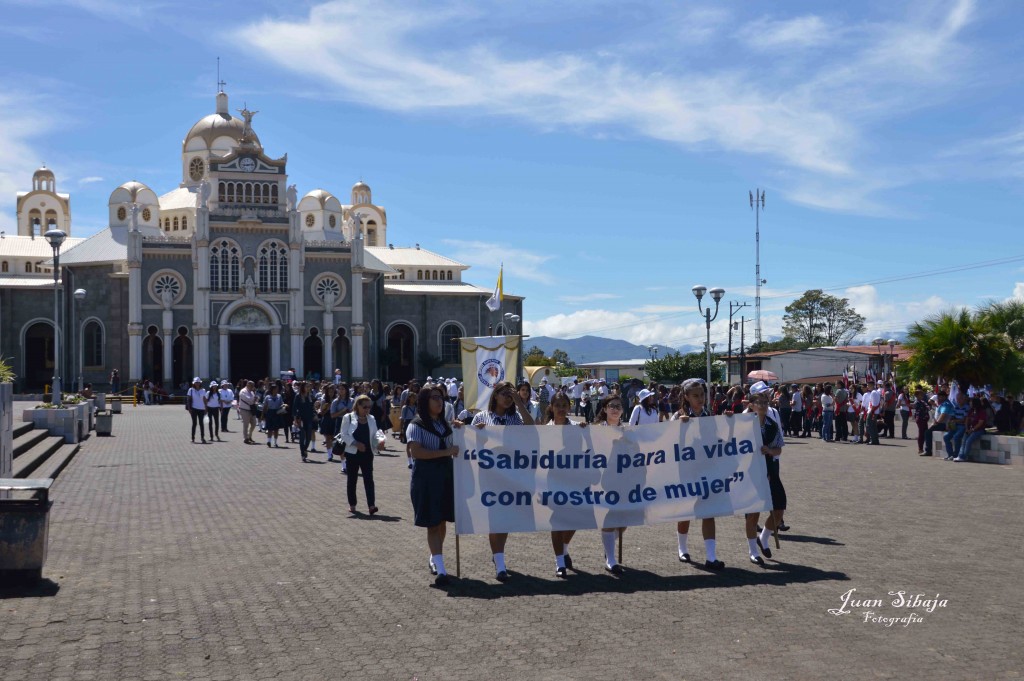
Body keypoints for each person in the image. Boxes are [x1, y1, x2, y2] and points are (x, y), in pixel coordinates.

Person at [471, 380, 535, 582]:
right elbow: (469, 443)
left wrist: (519, 401)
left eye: (511, 395)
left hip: (509, 474)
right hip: (489, 474)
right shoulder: (482, 416)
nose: (508, 398)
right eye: (505, 394)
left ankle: (499, 554)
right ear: (495, 395)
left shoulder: (514, 417)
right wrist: (477, 432)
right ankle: (499, 562)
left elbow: (531, 427)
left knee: (504, 517)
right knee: (494, 517)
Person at [408, 385, 462, 587]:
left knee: (441, 521)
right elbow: (417, 452)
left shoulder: (446, 424)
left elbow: (459, 442)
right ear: (424, 401)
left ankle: (435, 555)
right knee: (432, 522)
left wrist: (468, 428)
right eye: (433, 398)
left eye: (440, 397)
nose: (439, 402)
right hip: (426, 478)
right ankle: (440, 567)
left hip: (446, 477)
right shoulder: (416, 425)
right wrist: (446, 452)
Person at [671, 378, 726, 570]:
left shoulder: (709, 415)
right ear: (686, 397)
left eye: (702, 394)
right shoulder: (678, 417)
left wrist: (730, 423)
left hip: (706, 469)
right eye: (695, 395)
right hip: (686, 471)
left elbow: (718, 440)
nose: (700, 398)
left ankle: (711, 556)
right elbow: (669, 445)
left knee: (708, 512)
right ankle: (682, 548)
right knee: (685, 510)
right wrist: (681, 427)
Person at [545, 393, 588, 577]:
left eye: (564, 405)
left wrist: (588, 432)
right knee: (557, 521)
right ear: (552, 407)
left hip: (575, 481)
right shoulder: (545, 430)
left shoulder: (578, 427)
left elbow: (590, 450)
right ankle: (559, 562)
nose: (561, 408)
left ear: (569, 407)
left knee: (574, 520)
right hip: (553, 481)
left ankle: (564, 548)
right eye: (558, 405)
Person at [743, 382, 786, 566]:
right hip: (751, 472)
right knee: (753, 513)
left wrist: (770, 451)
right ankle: (752, 550)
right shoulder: (742, 422)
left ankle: (764, 537)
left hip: (771, 469)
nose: (763, 404)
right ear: (751, 403)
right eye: (758, 401)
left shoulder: (772, 423)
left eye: (765, 401)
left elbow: (779, 449)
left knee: (779, 508)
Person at [592, 394, 628, 575]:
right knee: (610, 516)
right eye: (611, 406)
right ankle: (610, 559)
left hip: (624, 480)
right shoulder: (597, 429)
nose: (615, 409)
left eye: (618, 406)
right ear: (605, 409)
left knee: (624, 520)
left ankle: (608, 548)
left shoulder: (627, 430)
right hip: (603, 479)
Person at [336, 395, 380, 514]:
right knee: (352, 480)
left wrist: (380, 442)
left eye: (369, 407)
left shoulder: (371, 418)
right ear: (358, 406)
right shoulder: (348, 417)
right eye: (364, 406)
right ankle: (352, 504)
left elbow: (376, 434)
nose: (367, 409)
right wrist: (356, 443)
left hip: (367, 453)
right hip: (352, 454)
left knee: (369, 480)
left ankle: (371, 505)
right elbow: (344, 435)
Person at [954, 397, 988, 462]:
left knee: (968, 441)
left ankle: (964, 457)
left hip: (979, 430)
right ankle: (960, 455)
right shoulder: (971, 411)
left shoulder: (982, 412)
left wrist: (972, 430)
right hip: (969, 429)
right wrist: (967, 428)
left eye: (971, 402)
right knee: (964, 441)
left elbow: (980, 423)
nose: (969, 403)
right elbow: (967, 420)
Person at [292, 381, 317, 462]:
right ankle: (303, 454)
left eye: (309, 387)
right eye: (306, 386)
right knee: (302, 436)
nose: (308, 388)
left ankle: (305, 449)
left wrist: (315, 413)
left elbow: (313, 407)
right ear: (302, 387)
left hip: (309, 418)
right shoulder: (298, 396)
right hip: (301, 419)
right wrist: (295, 419)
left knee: (309, 436)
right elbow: (294, 408)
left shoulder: (310, 396)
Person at [942, 390, 970, 461]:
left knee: (956, 437)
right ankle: (950, 454)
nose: (958, 400)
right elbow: (952, 416)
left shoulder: (967, 407)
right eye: (957, 399)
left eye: (960, 399)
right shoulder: (956, 407)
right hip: (955, 425)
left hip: (962, 426)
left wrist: (955, 421)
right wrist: (948, 423)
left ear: (964, 399)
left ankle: (956, 454)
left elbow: (964, 419)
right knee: (946, 437)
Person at [921, 388, 949, 456]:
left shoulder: (946, 404)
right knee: (927, 431)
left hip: (944, 424)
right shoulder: (941, 404)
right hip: (940, 423)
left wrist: (935, 423)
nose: (940, 398)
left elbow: (943, 416)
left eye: (942, 396)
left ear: (945, 397)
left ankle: (928, 451)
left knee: (928, 432)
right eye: (939, 397)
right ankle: (928, 450)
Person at [329, 384, 353, 464]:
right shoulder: (335, 402)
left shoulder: (352, 400)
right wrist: (342, 411)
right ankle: (344, 465)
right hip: (340, 422)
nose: (341, 391)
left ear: (346, 390)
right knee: (341, 443)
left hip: (350, 422)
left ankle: (349, 462)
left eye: (343, 389)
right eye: (339, 389)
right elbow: (332, 415)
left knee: (350, 443)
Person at [186, 377, 208, 443]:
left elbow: (205, 400)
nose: (197, 384)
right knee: (194, 423)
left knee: (201, 423)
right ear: (194, 383)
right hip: (194, 408)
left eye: (198, 382)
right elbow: (188, 399)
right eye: (196, 382)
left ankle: (202, 437)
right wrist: (189, 409)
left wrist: (206, 408)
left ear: (200, 383)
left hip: (201, 409)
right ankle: (193, 438)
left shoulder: (203, 390)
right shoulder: (191, 390)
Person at [262, 383, 285, 448]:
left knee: (276, 429)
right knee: (269, 428)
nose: (276, 390)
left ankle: (275, 442)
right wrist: (263, 415)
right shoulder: (267, 397)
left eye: (277, 389)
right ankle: (269, 441)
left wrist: (284, 406)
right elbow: (265, 406)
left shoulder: (279, 396)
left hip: (277, 413)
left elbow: (281, 404)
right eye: (275, 389)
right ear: (271, 390)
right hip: (270, 413)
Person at [912, 389, 931, 454]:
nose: (922, 396)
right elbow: (922, 410)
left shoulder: (922, 401)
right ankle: (920, 448)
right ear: (917, 395)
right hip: (920, 419)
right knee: (921, 433)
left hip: (924, 419)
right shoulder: (917, 402)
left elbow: (928, 407)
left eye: (922, 394)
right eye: (920, 394)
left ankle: (926, 448)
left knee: (925, 433)